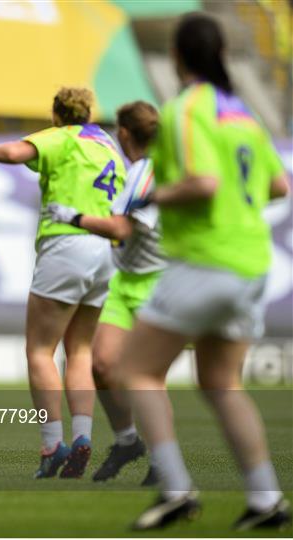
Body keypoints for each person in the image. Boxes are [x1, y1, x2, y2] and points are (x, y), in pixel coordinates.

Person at [112, 14, 291, 530]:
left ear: (178, 55)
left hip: (205, 261)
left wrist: (151, 193)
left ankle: (175, 489)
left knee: (137, 371)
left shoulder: (185, 110)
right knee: (220, 383)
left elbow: (204, 182)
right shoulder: (243, 113)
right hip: (254, 264)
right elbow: (280, 186)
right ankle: (264, 500)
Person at [0, 87, 126, 478]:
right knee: (81, 351)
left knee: (40, 350)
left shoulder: (62, 136)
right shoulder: (107, 145)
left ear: (57, 114)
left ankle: (53, 443)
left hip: (66, 245)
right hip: (105, 250)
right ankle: (84, 436)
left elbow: (18, 152)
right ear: (89, 112)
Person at [43, 101, 165, 484]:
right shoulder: (134, 170)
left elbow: (122, 229)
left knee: (145, 374)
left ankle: (164, 458)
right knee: (102, 364)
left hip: (156, 281)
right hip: (123, 279)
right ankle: (128, 442)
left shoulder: (149, 171)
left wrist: (72, 218)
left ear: (124, 133)